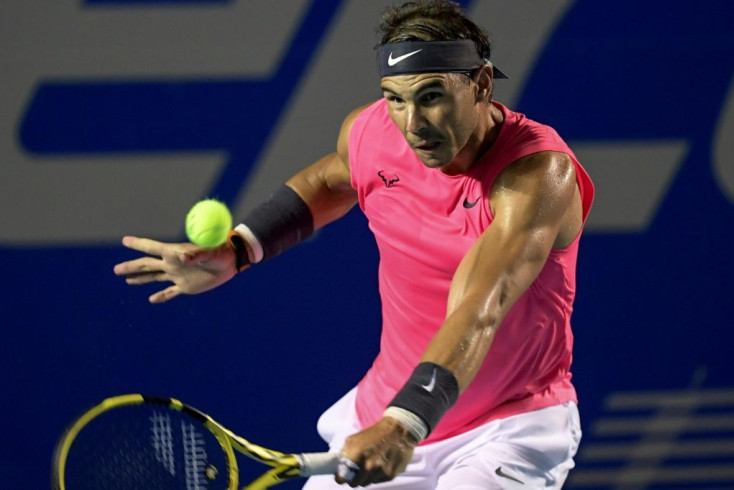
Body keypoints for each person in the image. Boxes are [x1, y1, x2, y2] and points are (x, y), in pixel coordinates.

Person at [114, 1, 594, 488]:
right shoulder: (373, 133)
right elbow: (331, 180)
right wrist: (241, 248)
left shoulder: (537, 175)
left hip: (505, 426)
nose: (412, 124)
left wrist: (405, 423)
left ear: (482, 84)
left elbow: (480, 306)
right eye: (395, 98)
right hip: (384, 406)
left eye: (431, 96)